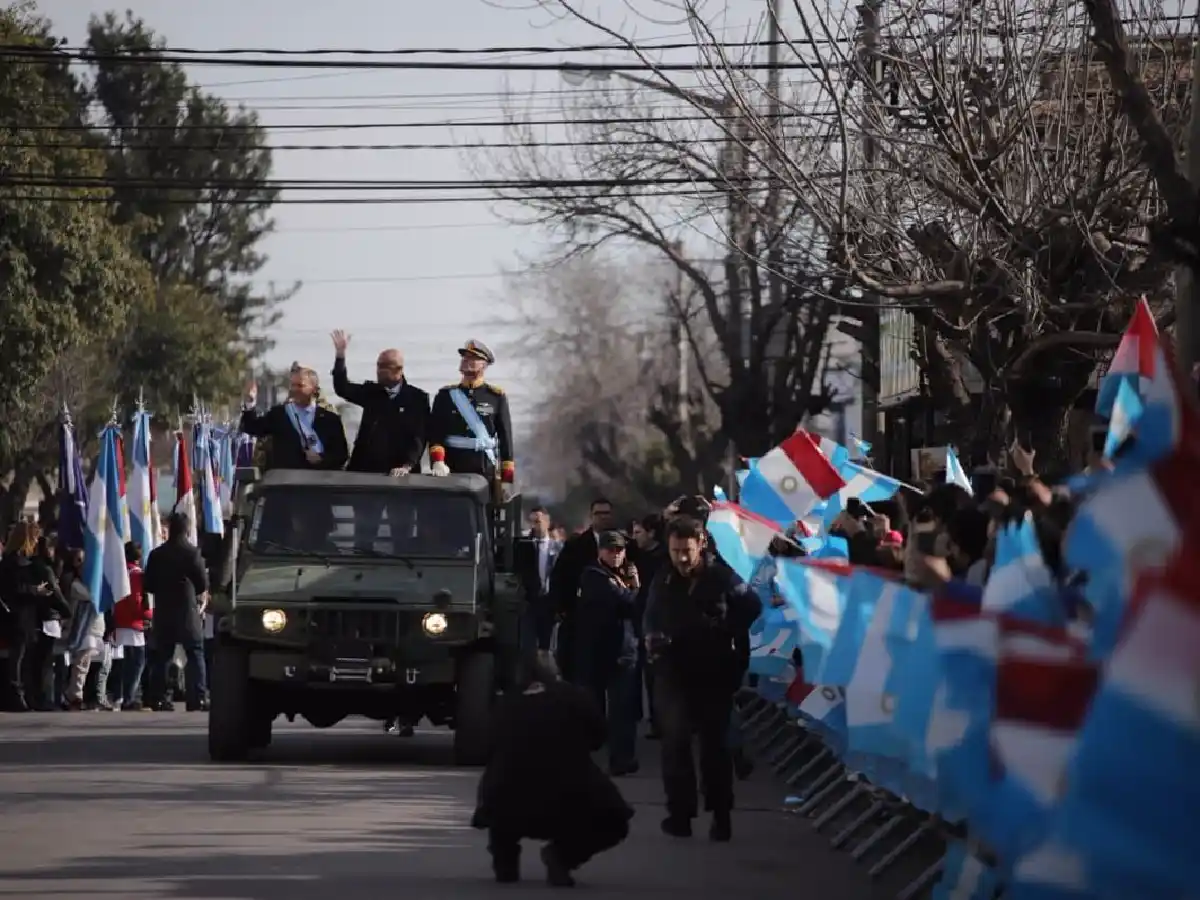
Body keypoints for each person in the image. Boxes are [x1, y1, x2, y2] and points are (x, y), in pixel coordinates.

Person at [643, 515, 763, 842]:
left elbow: (753, 606)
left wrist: (725, 627)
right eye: (675, 550)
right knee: (675, 743)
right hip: (674, 672)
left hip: (713, 672)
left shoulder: (721, 577)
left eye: (687, 550)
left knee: (715, 748)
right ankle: (680, 814)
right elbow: (651, 616)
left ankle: (720, 814)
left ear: (701, 546)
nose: (681, 557)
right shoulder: (663, 579)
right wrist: (653, 640)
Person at [471, 657, 633, 886]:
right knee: (615, 821)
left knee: (502, 783)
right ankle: (563, 856)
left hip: (505, 803)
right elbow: (598, 737)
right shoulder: (575, 696)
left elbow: (486, 747)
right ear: (556, 673)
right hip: (567, 800)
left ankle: (504, 860)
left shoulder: (505, 702)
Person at [574, 531, 641, 776]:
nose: (615, 555)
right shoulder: (594, 576)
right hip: (600, 652)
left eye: (619, 551)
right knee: (598, 711)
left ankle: (622, 759)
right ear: (600, 551)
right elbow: (626, 602)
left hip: (623, 652)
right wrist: (635, 588)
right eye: (610, 550)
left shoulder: (619, 575)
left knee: (623, 711)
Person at [330, 330, 429, 475]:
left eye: (384, 366)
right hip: (365, 470)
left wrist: (407, 465)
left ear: (399, 370)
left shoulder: (417, 398)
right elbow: (342, 388)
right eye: (378, 366)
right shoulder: (372, 392)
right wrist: (340, 356)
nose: (379, 371)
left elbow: (419, 437)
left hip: (399, 473)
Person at [143, 512, 210, 712]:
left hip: (164, 611)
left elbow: (149, 584)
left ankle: (159, 698)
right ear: (187, 529)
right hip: (187, 612)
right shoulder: (192, 553)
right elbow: (202, 583)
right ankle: (196, 697)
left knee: (163, 656)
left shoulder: (157, 554)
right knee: (195, 653)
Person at [427, 339, 515, 484]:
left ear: (484, 364)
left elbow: (506, 438)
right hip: (452, 467)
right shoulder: (446, 395)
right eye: (465, 357)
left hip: (484, 468)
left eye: (473, 358)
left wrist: (507, 478)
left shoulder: (495, 396)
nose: (466, 360)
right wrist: (438, 461)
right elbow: (436, 433)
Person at [0, 522, 67, 712]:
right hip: (16, 616)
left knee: (26, 659)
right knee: (18, 658)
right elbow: (11, 589)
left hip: (27, 616)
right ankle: (16, 697)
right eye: (35, 538)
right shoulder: (11, 562)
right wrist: (35, 590)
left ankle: (25, 696)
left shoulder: (19, 560)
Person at [548, 497, 616, 680]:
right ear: (591, 516)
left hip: (614, 622)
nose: (603, 518)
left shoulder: (622, 543)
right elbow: (559, 577)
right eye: (598, 514)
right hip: (581, 620)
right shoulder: (576, 545)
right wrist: (561, 608)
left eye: (607, 513)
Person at [240, 365, 349, 471]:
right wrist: (250, 404)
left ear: (314, 389)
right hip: (288, 484)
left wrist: (321, 459)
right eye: (292, 385)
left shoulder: (330, 419)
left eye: (300, 385)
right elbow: (252, 427)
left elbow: (341, 455)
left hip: (319, 484)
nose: (294, 390)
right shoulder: (280, 414)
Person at [630, 513, 666, 736]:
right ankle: (653, 719)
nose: (635, 538)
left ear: (651, 533)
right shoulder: (636, 555)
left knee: (659, 673)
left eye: (638, 533)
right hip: (640, 618)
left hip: (660, 621)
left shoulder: (664, 557)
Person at [513, 506, 561, 664]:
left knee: (548, 646)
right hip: (531, 601)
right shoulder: (524, 547)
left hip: (551, 603)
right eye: (532, 522)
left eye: (538, 521)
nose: (535, 526)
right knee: (528, 646)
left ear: (547, 522)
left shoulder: (558, 548)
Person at [113, 541, 152, 711]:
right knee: (137, 663)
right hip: (133, 623)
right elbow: (137, 600)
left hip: (119, 621)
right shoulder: (137, 574)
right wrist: (148, 615)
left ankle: (119, 696)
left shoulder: (119, 572)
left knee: (123, 663)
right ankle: (129, 698)